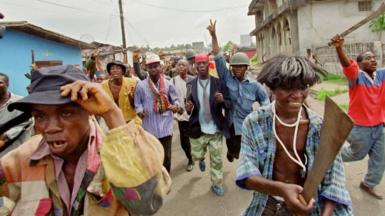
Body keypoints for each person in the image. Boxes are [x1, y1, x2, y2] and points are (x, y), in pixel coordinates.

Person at [0, 65, 170, 215]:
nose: (51, 127)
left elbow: (148, 205)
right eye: (40, 116)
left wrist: (112, 113)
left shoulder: (123, 154)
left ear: (89, 111)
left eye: (65, 113)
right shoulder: (18, 162)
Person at [236, 56, 352, 215]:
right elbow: (246, 172)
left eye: (303, 86)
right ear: (272, 88)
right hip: (269, 204)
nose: (297, 95)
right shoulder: (255, 122)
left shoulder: (321, 126)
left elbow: (335, 180)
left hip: (311, 206)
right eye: (287, 87)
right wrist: (282, 190)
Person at [330, 35, 385, 200]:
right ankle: (331, 155)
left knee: (380, 159)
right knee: (357, 155)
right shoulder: (356, 78)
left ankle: (368, 184)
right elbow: (348, 65)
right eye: (368, 58)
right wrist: (339, 48)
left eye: (374, 58)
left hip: (379, 126)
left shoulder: (381, 76)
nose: (373, 60)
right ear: (360, 64)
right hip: (360, 127)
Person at [207, 20, 270, 162]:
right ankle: (231, 152)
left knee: (246, 156)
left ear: (246, 68)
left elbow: (265, 101)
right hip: (230, 124)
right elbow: (218, 56)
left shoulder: (255, 86)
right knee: (234, 150)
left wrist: (260, 114)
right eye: (235, 67)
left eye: (241, 67)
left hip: (247, 125)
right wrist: (214, 35)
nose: (238, 69)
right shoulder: (227, 77)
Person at [185, 53, 231, 196]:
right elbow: (187, 104)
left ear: (208, 64)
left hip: (215, 128)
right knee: (197, 154)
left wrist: (222, 100)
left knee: (217, 159)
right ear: (195, 66)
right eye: (198, 64)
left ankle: (217, 183)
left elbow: (229, 104)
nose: (201, 66)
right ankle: (201, 158)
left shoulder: (218, 83)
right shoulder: (190, 85)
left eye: (204, 63)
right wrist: (188, 108)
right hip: (198, 128)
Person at [134, 54, 181, 173]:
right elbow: (137, 103)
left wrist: (175, 106)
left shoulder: (168, 83)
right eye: (150, 67)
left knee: (166, 157)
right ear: (146, 68)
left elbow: (175, 100)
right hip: (149, 128)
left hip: (166, 127)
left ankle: (166, 179)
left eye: (156, 66)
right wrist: (140, 111)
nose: (153, 69)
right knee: (153, 156)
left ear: (160, 67)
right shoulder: (140, 86)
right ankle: (156, 178)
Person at [0, 72, 33, 156]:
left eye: (0, 82)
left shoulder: (21, 102)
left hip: (17, 152)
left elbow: (27, 122)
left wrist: (5, 137)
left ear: (7, 84)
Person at [171, 59, 195, 172]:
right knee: (184, 141)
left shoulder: (193, 80)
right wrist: (175, 108)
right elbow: (169, 96)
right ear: (176, 67)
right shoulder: (173, 81)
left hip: (194, 114)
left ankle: (198, 155)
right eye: (179, 65)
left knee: (196, 138)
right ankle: (190, 159)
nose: (181, 67)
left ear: (188, 67)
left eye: (184, 65)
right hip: (181, 116)